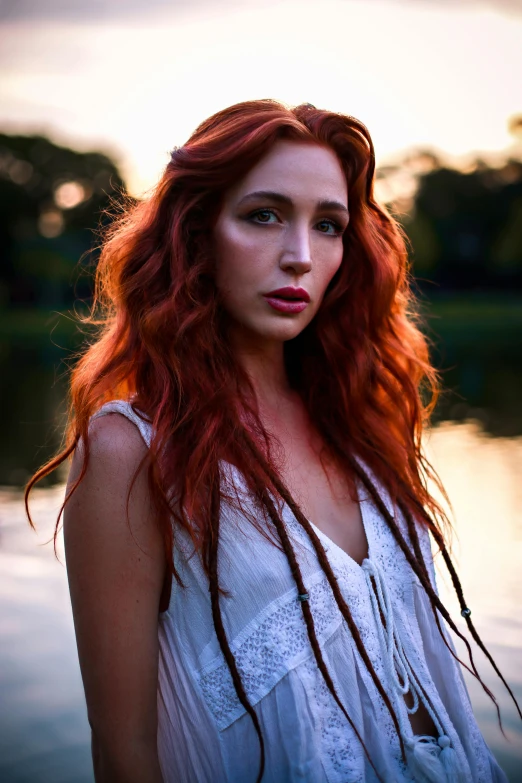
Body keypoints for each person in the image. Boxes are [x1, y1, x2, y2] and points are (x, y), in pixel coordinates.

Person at [25, 99, 518, 783]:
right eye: (263, 214)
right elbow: (122, 749)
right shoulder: (131, 452)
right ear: (197, 233)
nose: (300, 256)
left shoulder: (361, 422)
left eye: (329, 225)